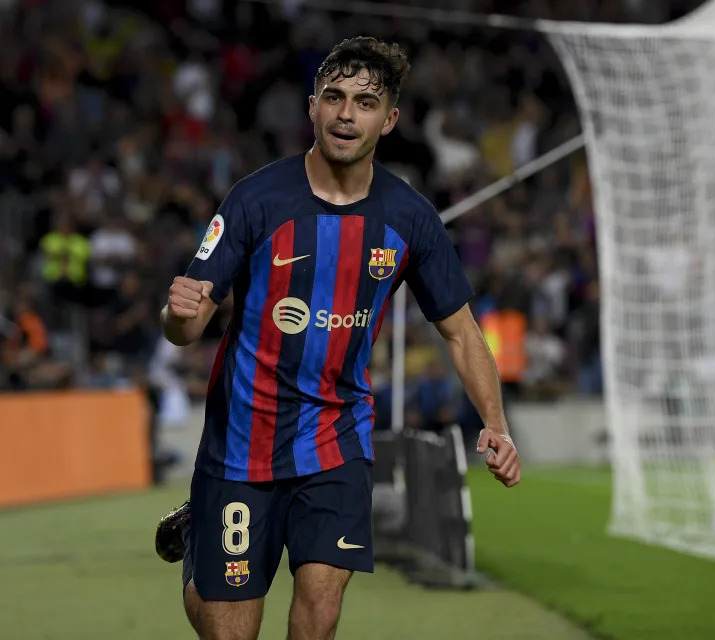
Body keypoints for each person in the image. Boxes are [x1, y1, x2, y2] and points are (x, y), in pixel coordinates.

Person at [153, 36, 521, 640]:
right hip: (242, 442)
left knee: (320, 612)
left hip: (337, 438)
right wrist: (177, 313)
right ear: (313, 108)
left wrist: (496, 424)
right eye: (335, 96)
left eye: (366, 102)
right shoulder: (256, 199)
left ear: (390, 119)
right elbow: (186, 327)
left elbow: (460, 332)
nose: (347, 113)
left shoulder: (410, 219)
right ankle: (204, 545)